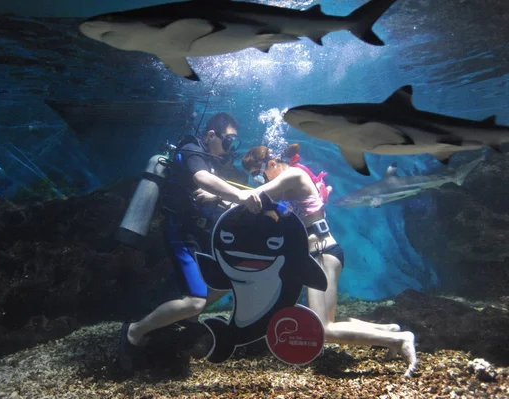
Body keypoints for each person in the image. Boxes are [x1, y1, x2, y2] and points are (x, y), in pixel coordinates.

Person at [219, 143, 417, 376]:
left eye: (257, 174)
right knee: (329, 321)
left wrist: (215, 193)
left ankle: (400, 340)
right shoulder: (286, 188)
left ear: (271, 164)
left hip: (322, 254)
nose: (257, 180)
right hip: (318, 255)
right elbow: (260, 211)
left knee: (324, 329)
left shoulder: (293, 175)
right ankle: (388, 330)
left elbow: (256, 198)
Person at [117, 112, 261, 372]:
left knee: (227, 281)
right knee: (196, 298)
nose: (231, 147)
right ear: (211, 135)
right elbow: (201, 179)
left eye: (234, 142)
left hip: (203, 235)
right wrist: (240, 196)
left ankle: (187, 320)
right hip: (183, 234)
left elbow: (212, 193)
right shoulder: (191, 149)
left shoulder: (212, 161)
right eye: (228, 140)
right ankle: (134, 332)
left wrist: (223, 199)